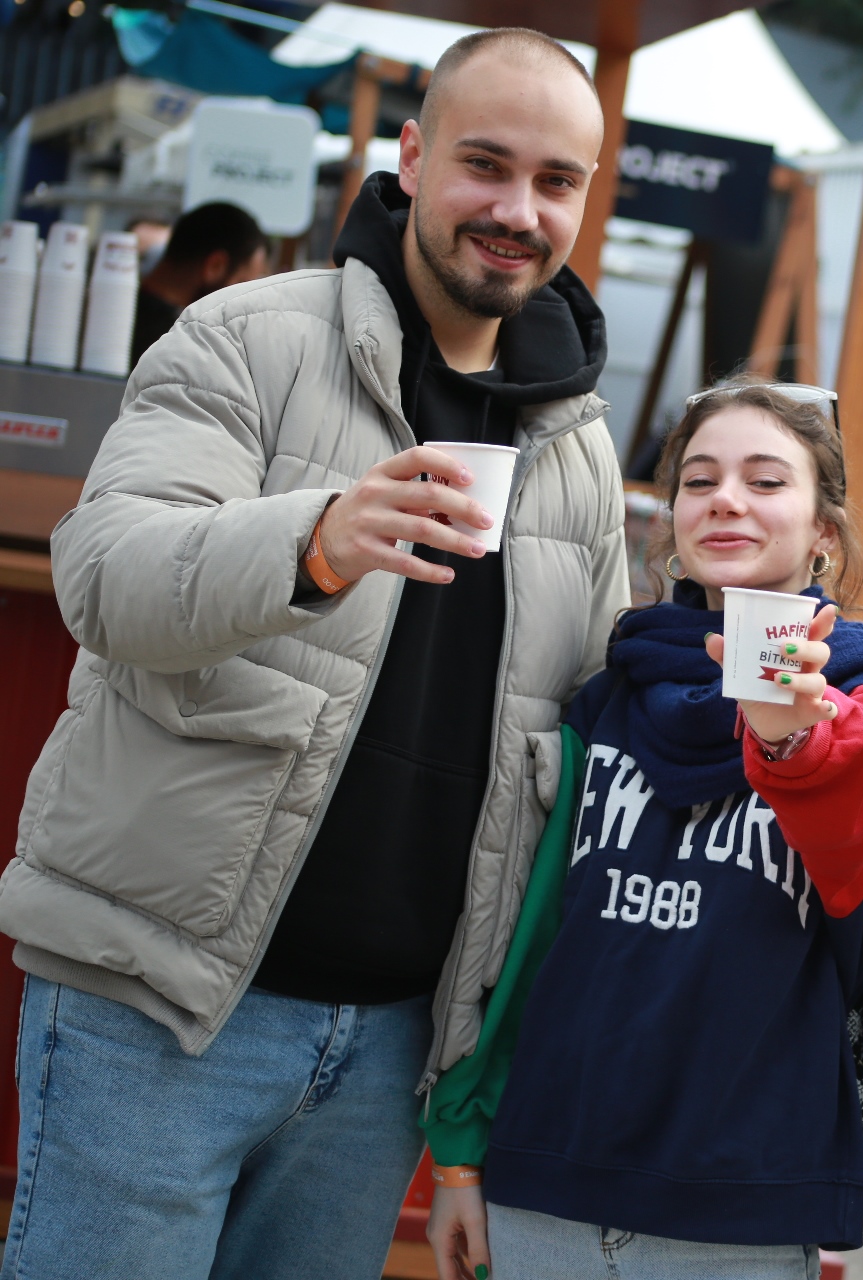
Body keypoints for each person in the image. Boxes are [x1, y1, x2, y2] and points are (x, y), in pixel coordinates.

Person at [0, 29, 626, 1280]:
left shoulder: (579, 448)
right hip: (159, 1008)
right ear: (409, 153)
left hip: (391, 1054)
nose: (517, 210)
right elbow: (105, 571)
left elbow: (573, 738)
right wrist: (315, 540)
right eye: (485, 165)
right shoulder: (247, 338)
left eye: (555, 181)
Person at [421, 380, 863, 1279]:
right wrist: (462, 1148)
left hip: (738, 1192)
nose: (727, 501)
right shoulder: (608, 693)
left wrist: (792, 737)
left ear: (825, 530)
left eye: (766, 480)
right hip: (547, 1166)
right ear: (670, 521)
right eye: (700, 481)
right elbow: (528, 933)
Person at [130, 201, 270, 362]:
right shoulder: (185, 347)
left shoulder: (109, 308)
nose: (243, 301)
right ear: (215, 266)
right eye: (241, 283)